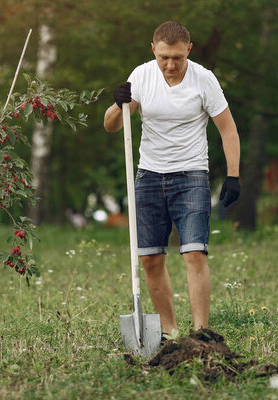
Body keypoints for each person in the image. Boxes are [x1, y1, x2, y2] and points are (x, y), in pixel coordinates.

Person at [103, 21, 241, 335]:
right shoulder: (141, 76)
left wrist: (233, 175)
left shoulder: (204, 80)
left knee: (194, 252)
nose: (170, 64)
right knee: (151, 259)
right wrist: (117, 103)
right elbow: (111, 126)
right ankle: (169, 332)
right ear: (153, 50)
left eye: (177, 57)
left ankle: (201, 334)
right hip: (149, 176)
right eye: (164, 56)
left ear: (188, 50)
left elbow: (228, 129)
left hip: (191, 175)